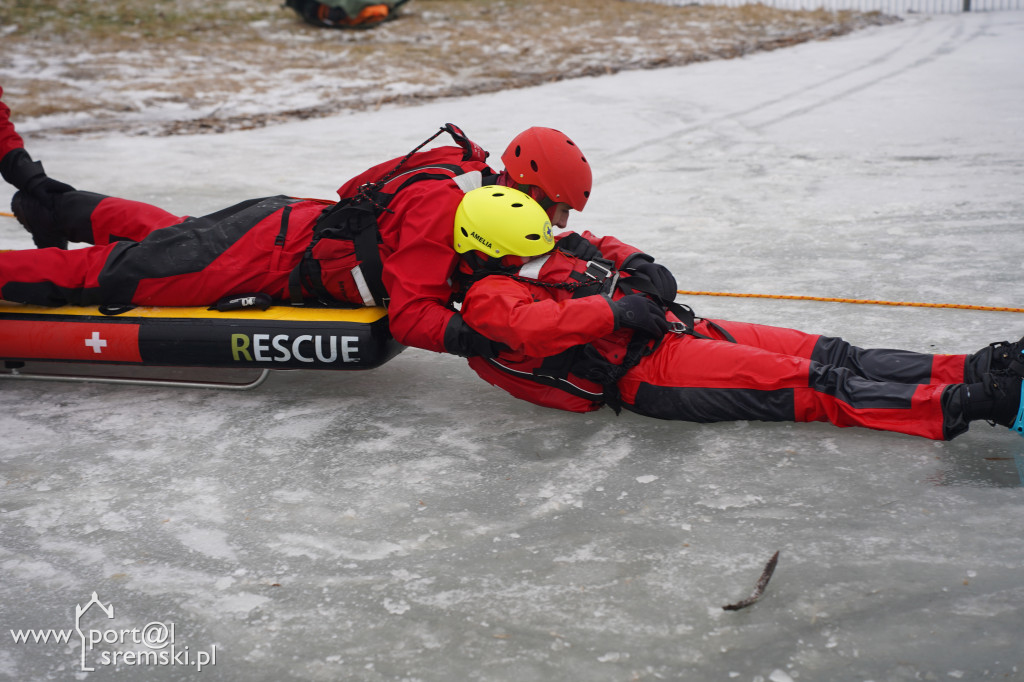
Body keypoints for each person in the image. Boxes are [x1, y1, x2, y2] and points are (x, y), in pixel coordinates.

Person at [0, 87, 670, 360]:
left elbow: (540, 248)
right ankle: (37, 226)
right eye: (554, 209)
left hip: (278, 226)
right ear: (525, 188)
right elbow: (411, 317)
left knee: (170, 238)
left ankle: (50, 200)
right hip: (263, 258)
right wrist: (489, 340)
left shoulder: (475, 187)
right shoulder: (446, 209)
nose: (553, 222)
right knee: (113, 277)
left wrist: (618, 259)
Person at [447, 186, 1024, 441]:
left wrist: (640, 264)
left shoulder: (535, 247)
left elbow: (588, 243)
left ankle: (970, 369)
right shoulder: (488, 298)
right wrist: (616, 313)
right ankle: (970, 404)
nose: (548, 243)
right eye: (533, 243)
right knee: (817, 384)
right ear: (491, 246)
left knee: (831, 352)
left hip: (678, 331)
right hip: (649, 375)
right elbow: (531, 328)